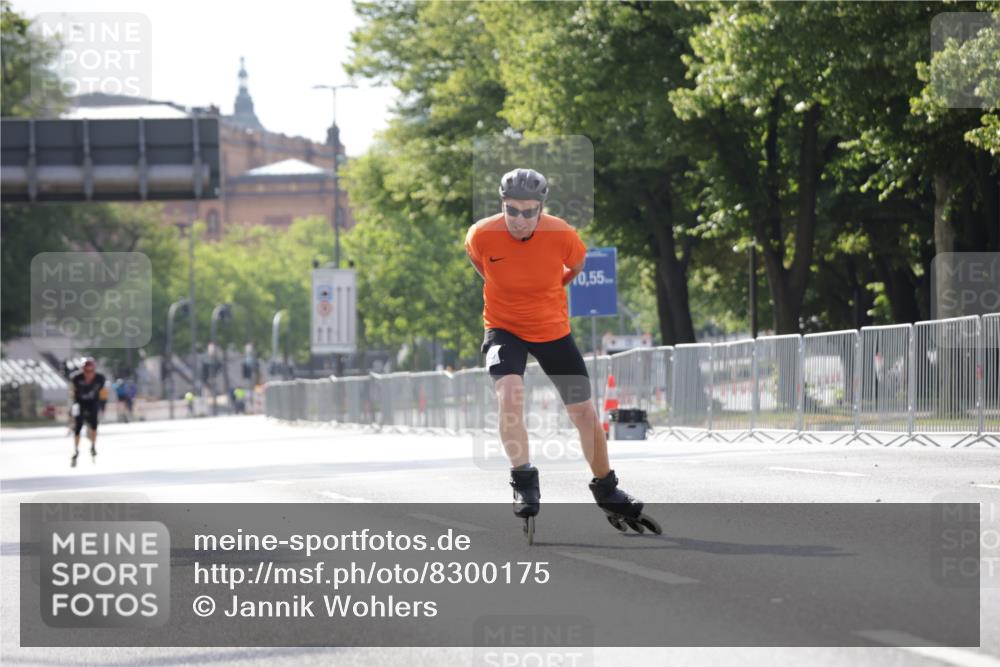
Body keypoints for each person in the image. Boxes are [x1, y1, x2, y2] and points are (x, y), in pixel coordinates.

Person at [465, 168, 659, 534]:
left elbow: (577, 265)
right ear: (501, 205)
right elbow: (480, 265)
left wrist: (551, 287)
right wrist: (504, 291)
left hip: (552, 331)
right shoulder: (481, 235)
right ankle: (523, 482)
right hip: (504, 329)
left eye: (529, 211)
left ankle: (607, 488)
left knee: (584, 411)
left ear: (542, 208)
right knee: (509, 395)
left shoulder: (562, 234)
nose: (520, 220)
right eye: (512, 210)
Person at [69, 358, 107, 467]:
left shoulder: (100, 378)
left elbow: (103, 393)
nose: (88, 374)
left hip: (93, 402)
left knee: (94, 425)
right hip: (80, 403)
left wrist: (103, 406)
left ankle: (93, 445)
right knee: (78, 426)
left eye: (90, 371)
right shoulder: (76, 378)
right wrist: (72, 410)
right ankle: (76, 449)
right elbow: (72, 392)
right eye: (86, 371)